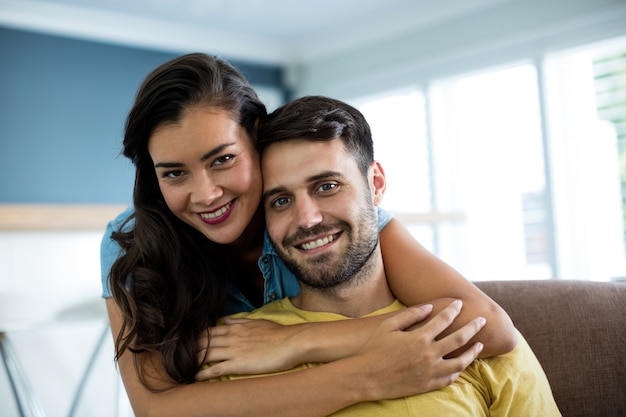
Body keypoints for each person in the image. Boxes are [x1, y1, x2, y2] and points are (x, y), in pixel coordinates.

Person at [101, 53, 515, 416]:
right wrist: (366, 376)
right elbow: (157, 408)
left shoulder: (322, 222)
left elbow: (490, 328)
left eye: (223, 159)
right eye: (174, 173)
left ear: (257, 136)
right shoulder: (133, 246)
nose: (206, 194)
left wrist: (297, 340)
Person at [210, 95, 561, 416]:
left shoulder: (472, 340)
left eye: (327, 187)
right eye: (281, 200)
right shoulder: (238, 346)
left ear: (375, 185)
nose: (307, 219)